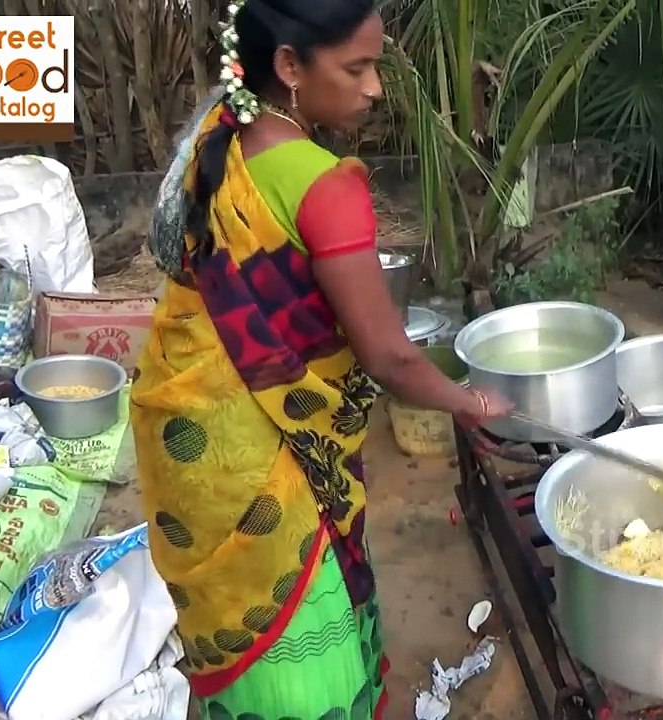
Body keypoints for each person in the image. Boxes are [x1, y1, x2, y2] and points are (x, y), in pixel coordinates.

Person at [130, 0, 511, 717]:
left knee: (236, 629)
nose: (375, 89)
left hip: (193, 442)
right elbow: (389, 357)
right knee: (299, 644)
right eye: (357, 68)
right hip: (266, 455)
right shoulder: (325, 186)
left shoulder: (220, 142)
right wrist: (473, 403)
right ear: (289, 66)